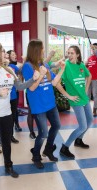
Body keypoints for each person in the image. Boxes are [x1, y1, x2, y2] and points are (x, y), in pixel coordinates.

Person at [0, 43, 40, 190]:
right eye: (2, 52)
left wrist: (33, 79)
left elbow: (19, 87)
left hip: (6, 114)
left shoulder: (9, 70)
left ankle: (8, 165)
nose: (5, 54)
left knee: (7, 142)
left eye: (4, 52)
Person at [22, 39, 65, 169]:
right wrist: (41, 75)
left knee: (56, 125)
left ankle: (48, 150)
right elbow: (32, 88)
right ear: (36, 50)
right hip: (38, 105)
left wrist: (62, 69)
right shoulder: (27, 66)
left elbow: (52, 80)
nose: (44, 51)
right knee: (43, 133)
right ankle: (36, 155)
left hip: (50, 102)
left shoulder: (43, 63)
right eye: (42, 49)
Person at [56, 46, 93, 159]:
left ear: (77, 54)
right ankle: (65, 147)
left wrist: (86, 90)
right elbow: (57, 83)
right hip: (75, 100)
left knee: (90, 120)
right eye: (68, 53)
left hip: (84, 98)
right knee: (82, 126)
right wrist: (68, 96)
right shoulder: (65, 65)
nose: (70, 55)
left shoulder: (81, 65)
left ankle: (79, 140)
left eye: (72, 53)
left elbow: (89, 76)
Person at [7, 50, 22, 143]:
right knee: (7, 116)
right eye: (12, 54)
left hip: (13, 93)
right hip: (5, 95)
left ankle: (10, 135)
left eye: (15, 54)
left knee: (13, 113)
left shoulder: (13, 66)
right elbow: (20, 69)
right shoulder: (10, 66)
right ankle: (5, 137)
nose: (15, 55)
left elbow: (20, 71)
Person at [86, 43, 97, 117]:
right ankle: (87, 109)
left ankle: (95, 110)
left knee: (95, 94)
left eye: (96, 48)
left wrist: (95, 49)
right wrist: (85, 65)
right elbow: (87, 68)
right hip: (88, 78)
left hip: (96, 78)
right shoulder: (90, 57)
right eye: (93, 48)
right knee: (87, 95)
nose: (94, 49)